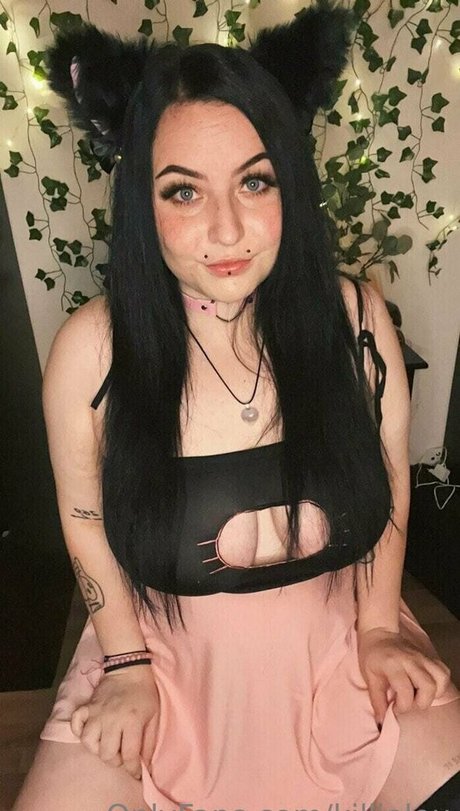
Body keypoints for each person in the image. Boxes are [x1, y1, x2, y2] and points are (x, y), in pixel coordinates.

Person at [13, 5, 460, 811]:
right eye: (184, 191)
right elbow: (84, 517)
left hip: (340, 647)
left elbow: (392, 475)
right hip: (162, 657)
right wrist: (125, 664)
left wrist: (380, 627)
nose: (226, 229)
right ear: (143, 203)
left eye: (255, 181)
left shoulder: (356, 322)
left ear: (289, 181)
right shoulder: (93, 351)